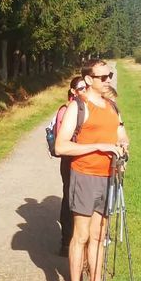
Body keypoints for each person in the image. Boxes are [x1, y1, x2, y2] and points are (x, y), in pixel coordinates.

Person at [54, 59, 130, 281]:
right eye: (103, 77)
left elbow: (121, 135)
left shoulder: (111, 106)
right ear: (88, 80)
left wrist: (122, 150)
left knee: (99, 236)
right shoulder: (78, 106)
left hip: (108, 177)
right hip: (84, 175)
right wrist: (99, 147)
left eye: (109, 75)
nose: (108, 80)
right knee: (81, 236)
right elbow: (61, 147)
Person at [55, 75, 88, 255]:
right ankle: (67, 241)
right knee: (69, 198)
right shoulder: (67, 110)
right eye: (81, 88)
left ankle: (80, 238)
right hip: (69, 159)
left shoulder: (91, 108)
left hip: (85, 159)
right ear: (74, 91)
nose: (85, 91)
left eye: (86, 87)